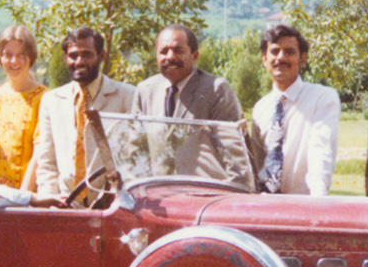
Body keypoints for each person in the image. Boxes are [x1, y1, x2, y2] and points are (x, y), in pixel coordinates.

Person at [130, 24, 245, 183]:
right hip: (160, 195)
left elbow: (233, 153)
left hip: (203, 195)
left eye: (178, 50)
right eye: (163, 51)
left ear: (194, 56)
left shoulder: (215, 89)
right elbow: (135, 149)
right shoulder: (145, 90)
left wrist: (234, 195)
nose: (170, 57)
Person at [33, 26, 136, 198]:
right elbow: (46, 162)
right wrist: (50, 202)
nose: (79, 61)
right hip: (64, 204)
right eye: (73, 55)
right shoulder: (51, 101)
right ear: (65, 58)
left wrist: (116, 202)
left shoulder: (127, 96)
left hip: (110, 205)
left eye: (86, 54)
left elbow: (131, 157)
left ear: (101, 56)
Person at [251, 24, 340, 196]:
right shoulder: (260, 108)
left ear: (302, 59)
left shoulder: (322, 98)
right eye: (275, 51)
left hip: (304, 204)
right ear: (264, 59)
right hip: (264, 204)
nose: (281, 58)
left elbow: (321, 150)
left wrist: (318, 201)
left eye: (289, 52)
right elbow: (257, 161)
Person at [0, 25, 47, 190]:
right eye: (8, 55)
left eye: (21, 55)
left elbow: (39, 155)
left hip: (28, 198)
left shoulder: (44, 99)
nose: (13, 61)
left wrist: (22, 200)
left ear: (31, 57)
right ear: (0, 58)